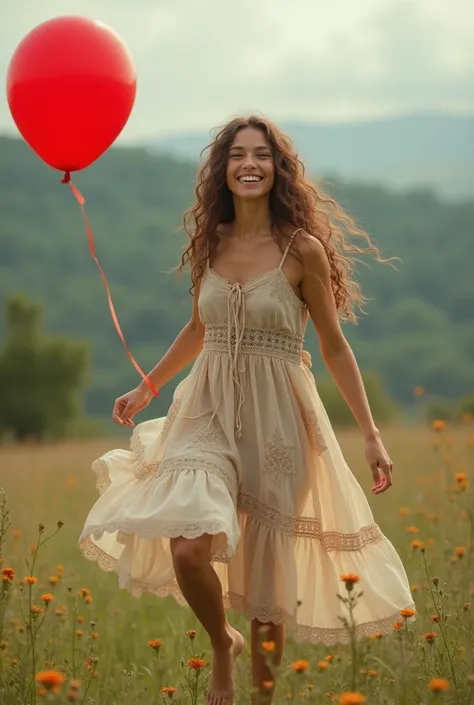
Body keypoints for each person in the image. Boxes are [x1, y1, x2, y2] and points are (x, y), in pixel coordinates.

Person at [79, 114, 414, 705]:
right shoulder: (211, 244)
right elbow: (196, 328)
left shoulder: (301, 250)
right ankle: (220, 646)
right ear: (223, 170)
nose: (249, 164)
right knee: (188, 545)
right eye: (237, 155)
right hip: (206, 411)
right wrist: (148, 386)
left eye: (262, 154)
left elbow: (333, 345)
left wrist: (370, 433)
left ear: (278, 168)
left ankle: (260, 697)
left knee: (266, 586)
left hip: (281, 420)